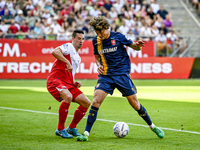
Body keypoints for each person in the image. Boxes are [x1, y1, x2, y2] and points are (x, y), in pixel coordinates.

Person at [77, 16, 164, 141]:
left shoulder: (118, 37)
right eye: (97, 33)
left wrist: (138, 46)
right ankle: (86, 133)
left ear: (107, 28)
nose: (99, 35)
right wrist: (98, 65)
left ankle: (152, 126)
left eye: (101, 32)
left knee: (135, 104)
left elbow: (135, 46)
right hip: (106, 76)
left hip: (122, 75)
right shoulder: (96, 41)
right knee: (95, 101)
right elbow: (96, 56)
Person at [47, 30, 91, 138]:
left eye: (82, 39)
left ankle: (71, 128)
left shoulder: (78, 58)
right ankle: (60, 129)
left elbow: (70, 73)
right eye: (78, 38)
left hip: (68, 83)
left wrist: (74, 83)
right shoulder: (68, 46)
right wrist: (67, 62)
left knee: (86, 102)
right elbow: (54, 52)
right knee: (68, 96)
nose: (81, 41)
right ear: (73, 39)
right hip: (55, 79)